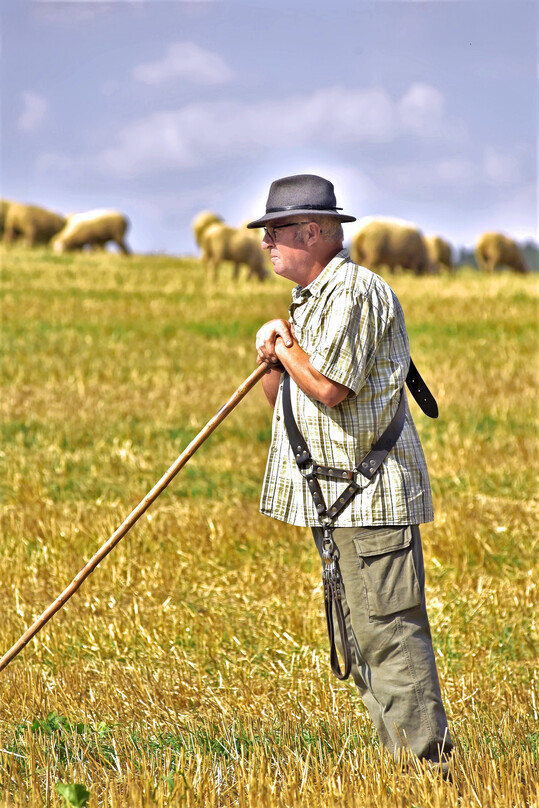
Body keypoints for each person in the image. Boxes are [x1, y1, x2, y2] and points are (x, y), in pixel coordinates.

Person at [247, 174, 453, 773]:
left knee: (390, 638)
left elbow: (331, 390)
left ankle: (432, 774)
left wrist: (285, 349)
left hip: (370, 502)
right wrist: (271, 356)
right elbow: (290, 405)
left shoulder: (354, 294)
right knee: (365, 645)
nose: (266, 243)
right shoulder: (313, 300)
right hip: (337, 503)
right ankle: (407, 771)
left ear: (313, 231)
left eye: (276, 231)